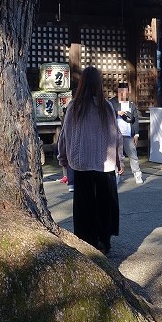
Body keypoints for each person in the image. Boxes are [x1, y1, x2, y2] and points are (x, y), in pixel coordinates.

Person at [57, 66, 123, 254]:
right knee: (105, 204)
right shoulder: (106, 107)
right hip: (106, 164)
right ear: (98, 84)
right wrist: (119, 160)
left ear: (82, 83)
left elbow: (65, 135)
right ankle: (105, 241)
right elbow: (116, 136)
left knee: (84, 205)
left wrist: (63, 158)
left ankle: (86, 242)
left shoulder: (74, 107)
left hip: (81, 163)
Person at [109, 81, 143, 184]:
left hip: (128, 135)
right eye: (121, 92)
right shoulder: (111, 103)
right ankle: (117, 174)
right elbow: (106, 114)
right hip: (115, 134)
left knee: (133, 155)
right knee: (116, 157)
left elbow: (135, 120)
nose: (123, 94)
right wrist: (116, 112)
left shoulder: (131, 105)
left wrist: (136, 134)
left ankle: (137, 174)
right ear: (117, 92)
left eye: (125, 92)